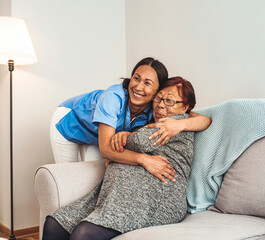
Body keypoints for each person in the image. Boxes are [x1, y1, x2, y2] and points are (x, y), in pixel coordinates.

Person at [43, 77, 204, 240]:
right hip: (119, 194)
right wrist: (124, 145)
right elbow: (115, 147)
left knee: (83, 233)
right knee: (55, 223)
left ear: (185, 107)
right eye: (159, 98)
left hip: (156, 201)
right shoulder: (121, 99)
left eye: (169, 100)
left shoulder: (174, 125)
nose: (161, 104)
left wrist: (123, 138)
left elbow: (135, 142)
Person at [50, 57, 210, 164]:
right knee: (69, 173)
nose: (138, 87)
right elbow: (106, 149)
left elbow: (204, 120)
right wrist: (145, 160)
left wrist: (179, 125)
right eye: (136, 78)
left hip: (97, 135)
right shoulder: (113, 96)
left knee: (94, 178)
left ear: (157, 89)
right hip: (69, 122)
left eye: (147, 83)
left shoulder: (155, 105)